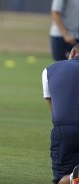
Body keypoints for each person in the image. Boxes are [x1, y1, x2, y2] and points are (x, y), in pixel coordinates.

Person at [42, 43, 79, 184]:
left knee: (61, 179)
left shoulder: (49, 70)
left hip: (64, 130)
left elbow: (54, 108)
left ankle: (71, 179)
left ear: (73, 52)